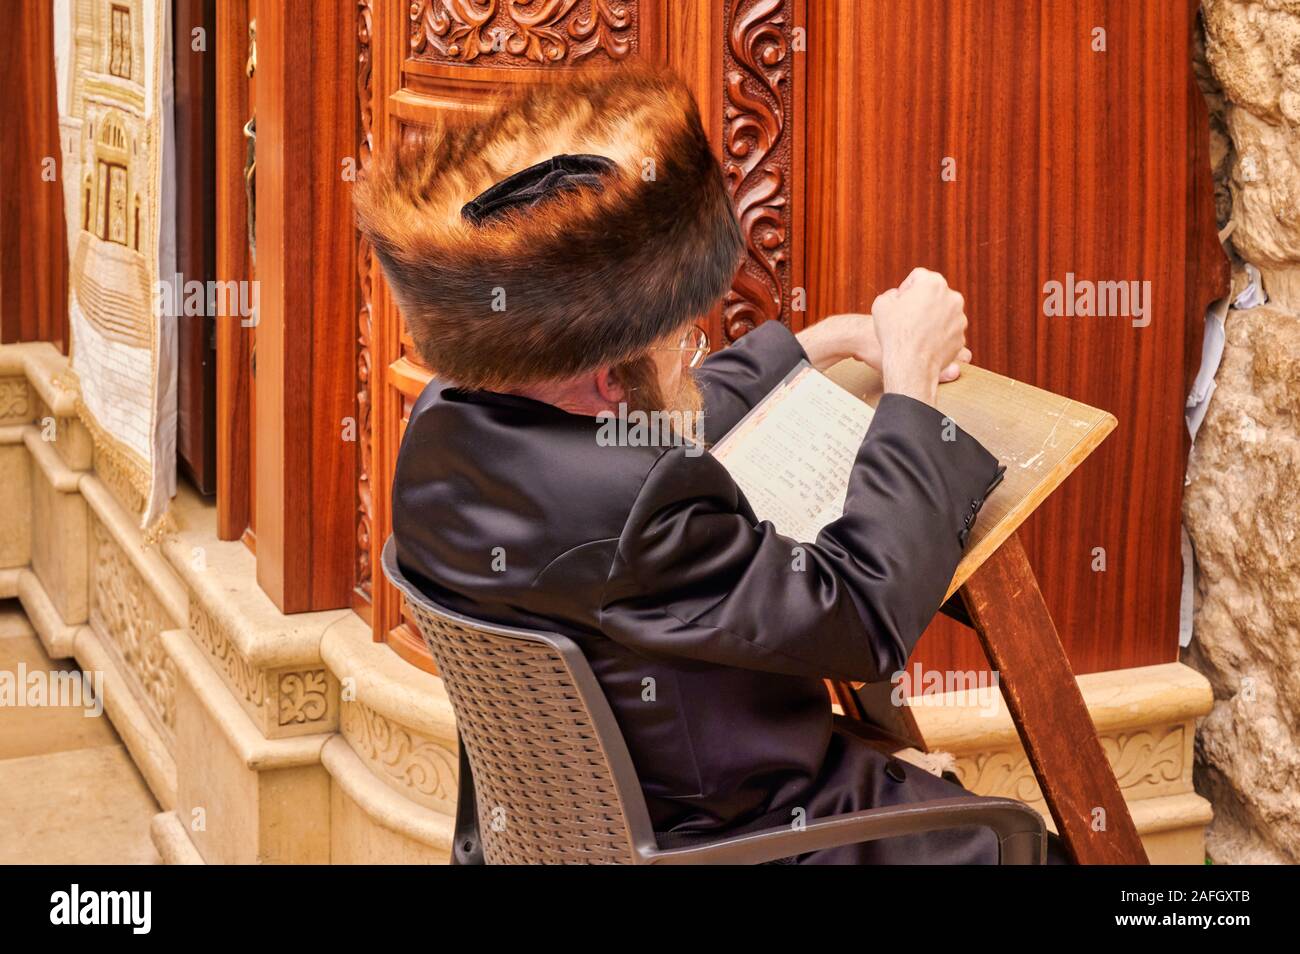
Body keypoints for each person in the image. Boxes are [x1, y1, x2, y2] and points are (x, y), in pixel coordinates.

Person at [355, 67, 1069, 864]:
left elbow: (657, 418)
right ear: (605, 376)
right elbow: (858, 617)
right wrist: (910, 389)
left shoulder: (446, 421)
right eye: (683, 342)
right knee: (1022, 840)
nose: (694, 354)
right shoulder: (643, 508)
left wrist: (818, 342)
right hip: (739, 834)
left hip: (590, 826)